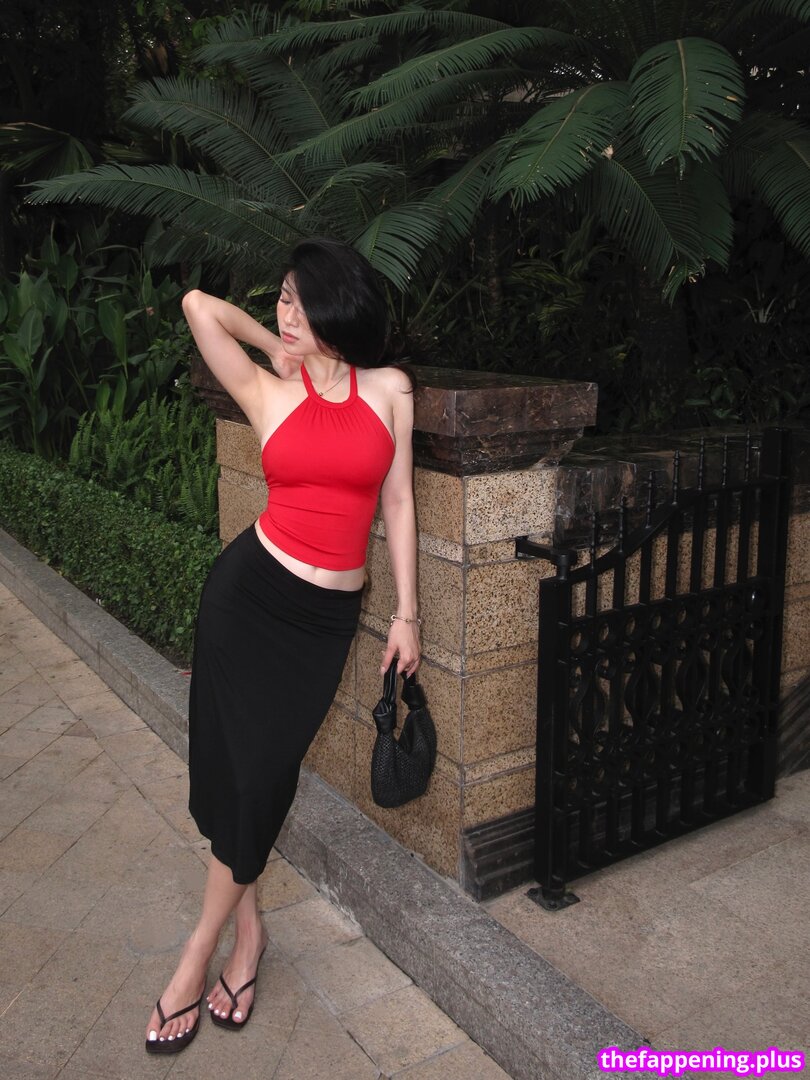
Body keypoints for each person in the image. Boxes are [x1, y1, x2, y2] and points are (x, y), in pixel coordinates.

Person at [144, 237, 420, 1053]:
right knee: (239, 773)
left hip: (322, 625)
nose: (284, 310)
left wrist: (407, 613)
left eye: (300, 300)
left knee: (264, 773)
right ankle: (215, 948)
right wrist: (281, 346)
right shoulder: (267, 391)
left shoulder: (390, 390)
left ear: (338, 304)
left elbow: (398, 503)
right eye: (282, 297)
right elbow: (198, 306)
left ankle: (238, 937)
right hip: (246, 600)